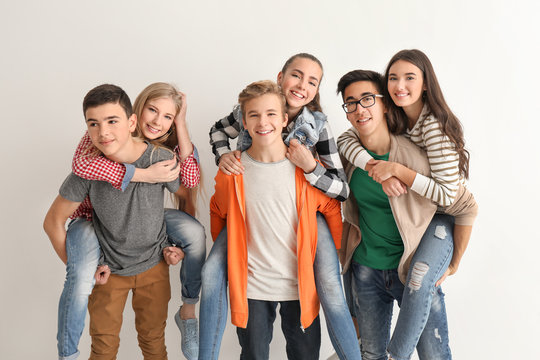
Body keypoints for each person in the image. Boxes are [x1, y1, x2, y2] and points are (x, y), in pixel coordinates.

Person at [203, 53, 359, 359]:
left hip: (307, 206)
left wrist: (311, 166)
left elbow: (341, 190)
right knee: (211, 273)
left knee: (329, 283)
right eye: (296, 75)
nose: (301, 85)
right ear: (280, 76)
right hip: (248, 199)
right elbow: (217, 133)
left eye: (312, 81)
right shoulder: (249, 106)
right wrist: (223, 155)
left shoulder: (317, 124)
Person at [337, 49, 478, 359]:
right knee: (369, 354)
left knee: (433, 354)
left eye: (368, 99)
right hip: (366, 270)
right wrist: (375, 168)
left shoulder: (422, 147)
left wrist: (454, 263)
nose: (360, 108)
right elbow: (343, 143)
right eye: (351, 102)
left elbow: (464, 205)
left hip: (409, 265)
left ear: (384, 103)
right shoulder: (347, 152)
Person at [55, 83, 205, 360]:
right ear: (138, 112)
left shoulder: (161, 156)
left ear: (129, 121)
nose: (158, 121)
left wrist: (179, 245)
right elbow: (54, 220)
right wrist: (83, 268)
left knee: (153, 343)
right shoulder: (92, 158)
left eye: (168, 117)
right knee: (104, 347)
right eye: (153, 110)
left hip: (153, 267)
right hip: (110, 269)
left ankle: (188, 311)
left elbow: (189, 188)